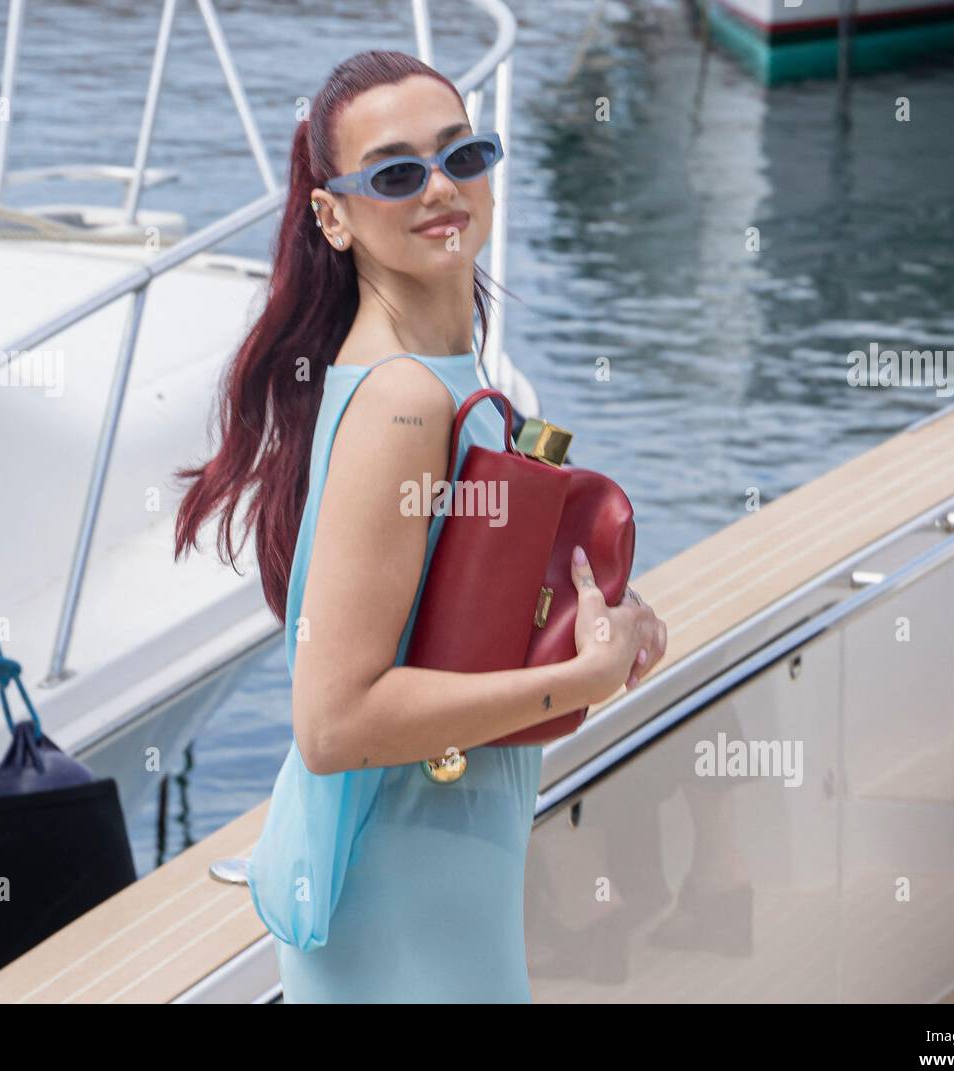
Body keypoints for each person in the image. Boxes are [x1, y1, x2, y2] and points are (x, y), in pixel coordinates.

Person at [174, 49, 666, 1003]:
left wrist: (601, 623)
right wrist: (579, 682)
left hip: (443, 882)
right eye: (396, 173)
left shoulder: (439, 378)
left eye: (461, 156)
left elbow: (448, 625)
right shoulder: (402, 401)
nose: (441, 188)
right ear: (333, 217)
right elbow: (333, 724)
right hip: (398, 901)